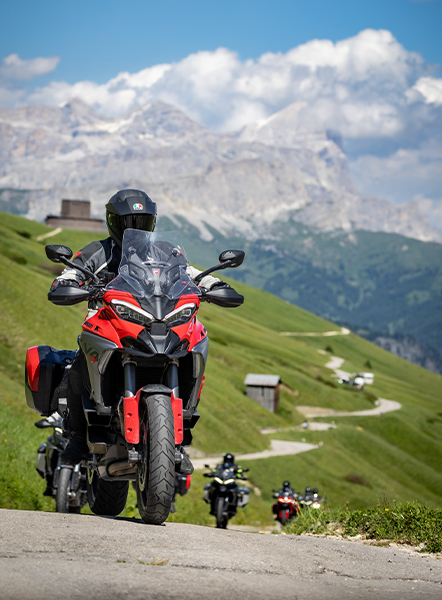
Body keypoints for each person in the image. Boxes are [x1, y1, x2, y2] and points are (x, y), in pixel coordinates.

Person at [50, 189, 234, 474]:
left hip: (154, 319)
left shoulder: (165, 251)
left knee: (192, 347)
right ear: (113, 221)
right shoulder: (98, 251)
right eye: (127, 221)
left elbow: (190, 273)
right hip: (108, 321)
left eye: (142, 221)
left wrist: (214, 284)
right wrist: (66, 282)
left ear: (152, 222)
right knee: (77, 368)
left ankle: (175, 443)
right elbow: (73, 271)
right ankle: (76, 436)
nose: (134, 228)